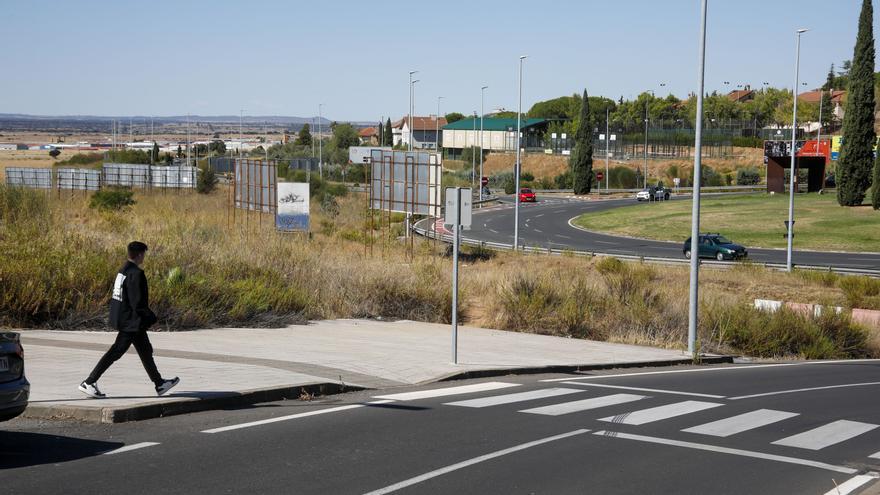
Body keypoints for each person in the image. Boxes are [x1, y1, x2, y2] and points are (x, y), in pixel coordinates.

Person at [79, 241, 179, 398]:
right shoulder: (136, 274)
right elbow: (137, 302)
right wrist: (152, 318)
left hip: (128, 320)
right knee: (115, 352)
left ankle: (159, 384)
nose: (144, 257)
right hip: (130, 322)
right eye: (144, 254)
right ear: (139, 254)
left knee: (145, 351)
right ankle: (89, 382)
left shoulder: (123, 270)